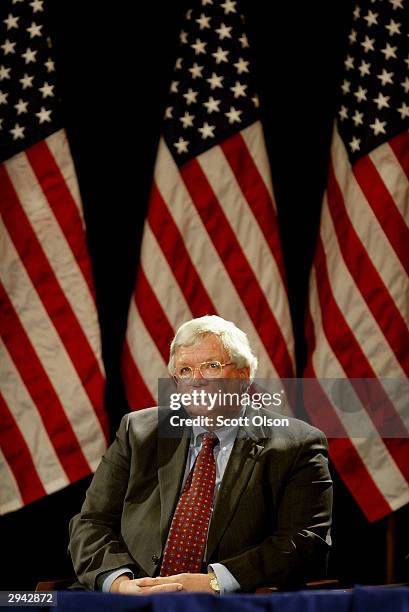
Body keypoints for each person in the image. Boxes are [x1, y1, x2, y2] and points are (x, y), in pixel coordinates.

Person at [68, 315, 333, 594]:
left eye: (211, 366)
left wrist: (215, 581)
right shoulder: (139, 432)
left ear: (244, 376)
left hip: (230, 604)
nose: (196, 380)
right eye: (184, 370)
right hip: (129, 599)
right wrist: (120, 585)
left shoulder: (296, 444)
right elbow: (91, 523)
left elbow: (305, 542)